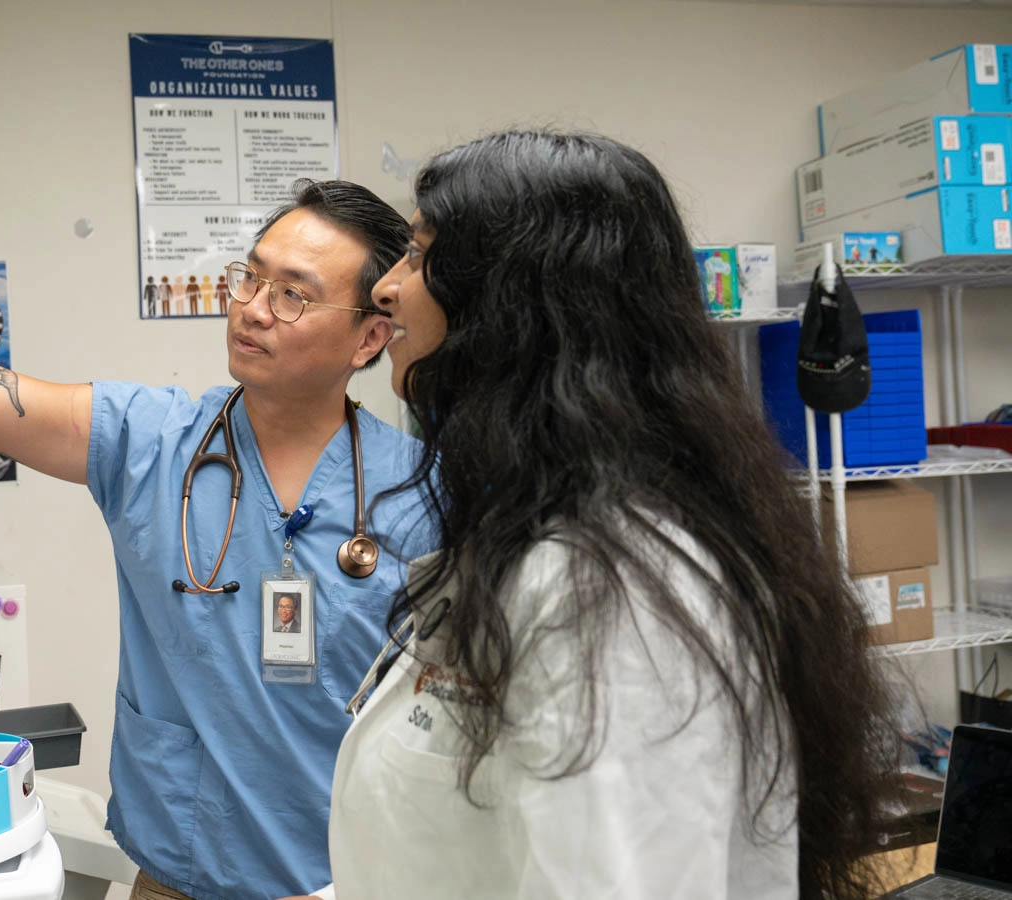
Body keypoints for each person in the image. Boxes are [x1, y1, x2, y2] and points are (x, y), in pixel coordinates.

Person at [0, 154, 432, 900]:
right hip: (175, 878)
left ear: (369, 340)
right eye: (250, 277)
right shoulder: (149, 443)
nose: (253, 307)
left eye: (293, 295)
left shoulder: (422, 493)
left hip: (345, 883)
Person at [293, 132, 896, 899]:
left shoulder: (614, 590)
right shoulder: (534, 528)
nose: (388, 287)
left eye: (420, 254)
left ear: (516, 299)